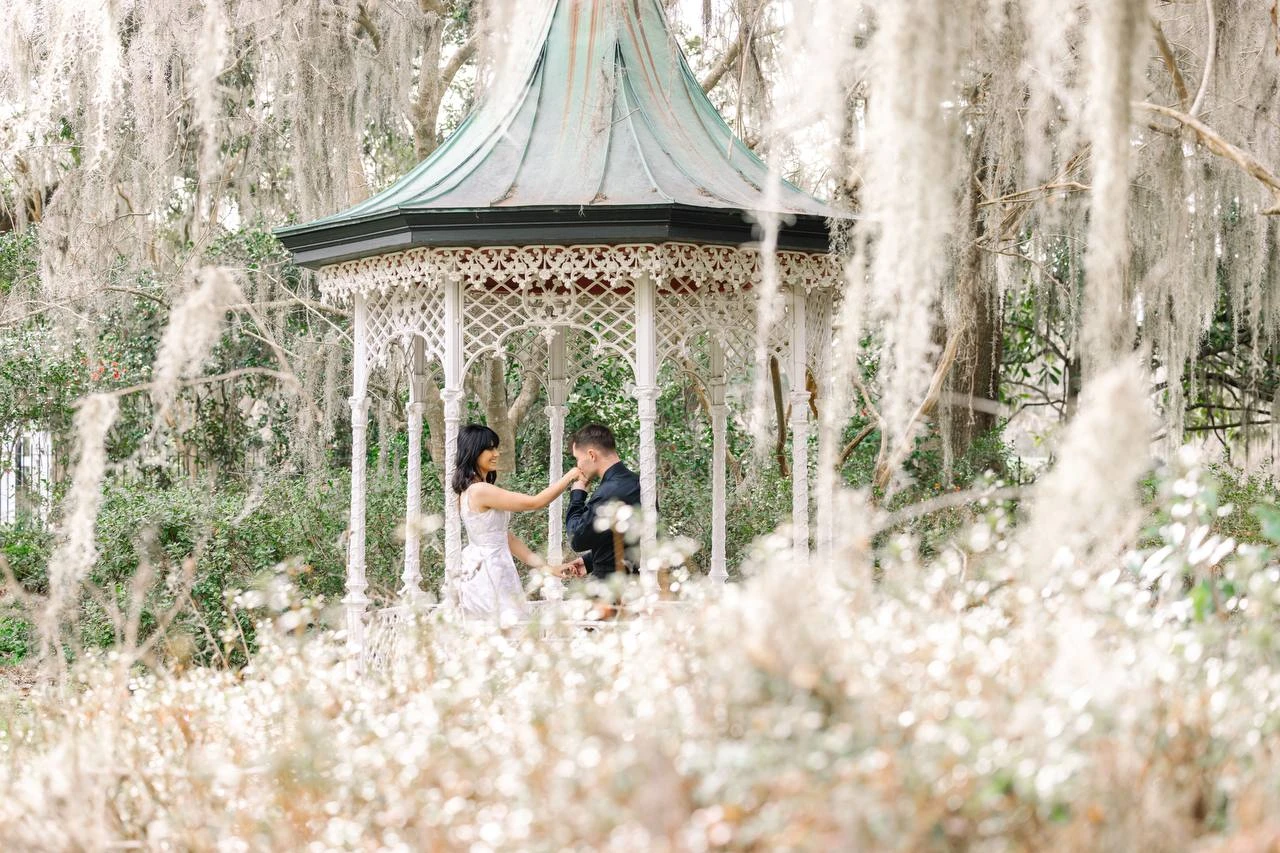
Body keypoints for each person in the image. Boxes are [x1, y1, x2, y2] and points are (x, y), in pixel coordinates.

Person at [451, 424, 585, 621]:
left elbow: (506, 538)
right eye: (489, 448)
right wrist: (570, 476)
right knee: (505, 629)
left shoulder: (473, 490)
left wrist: (547, 568)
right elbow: (534, 502)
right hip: (490, 570)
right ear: (473, 451)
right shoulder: (480, 490)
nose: (496, 453)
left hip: (495, 565)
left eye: (496, 447)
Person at [565, 423, 643, 579]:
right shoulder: (638, 483)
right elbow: (621, 541)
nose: (578, 466)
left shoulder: (608, 492)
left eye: (578, 459)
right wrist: (589, 561)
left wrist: (577, 496)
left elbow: (577, 539)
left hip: (611, 586)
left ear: (592, 455)